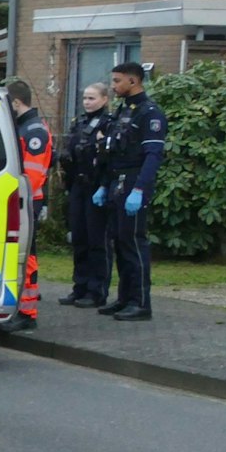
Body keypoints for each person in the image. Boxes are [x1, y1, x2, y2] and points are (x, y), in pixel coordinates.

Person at [93, 62, 168, 322]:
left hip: (134, 181)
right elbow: (111, 152)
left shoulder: (149, 114)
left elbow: (153, 156)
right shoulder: (123, 112)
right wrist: (104, 184)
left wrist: (139, 189)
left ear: (133, 81)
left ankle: (140, 303)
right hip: (117, 181)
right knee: (119, 242)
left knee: (134, 243)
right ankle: (125, 298)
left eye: (117, 81)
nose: (113, 86)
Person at [0, 79, 51, 334]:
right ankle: (21, 308)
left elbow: (34, 174)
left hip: (27, 200)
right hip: (23, 199)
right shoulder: (24, 127)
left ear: (16, 102)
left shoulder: (34, 131)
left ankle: (28, 312)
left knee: (27, 257)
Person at [56, 82, 112, 308]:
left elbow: (109, 158)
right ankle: (79, 287)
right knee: (79, 238)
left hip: (97, 186)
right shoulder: (78, 123)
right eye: (85, 98)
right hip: (78, 186)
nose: (87, 102)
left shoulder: (108, 124)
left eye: (92, 98)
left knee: (96, 240)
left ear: (104, 100)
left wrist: (104, 185)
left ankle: (96, 290)